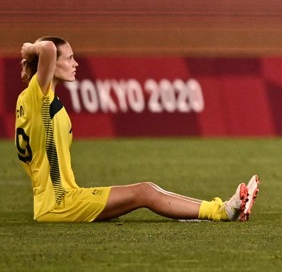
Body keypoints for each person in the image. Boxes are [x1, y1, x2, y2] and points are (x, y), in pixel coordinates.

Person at [16, 36, 258, 223]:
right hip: (60, 203)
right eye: (69, 58)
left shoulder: (28, 101)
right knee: (145, 192)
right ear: (49, 65)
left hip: (57, 200)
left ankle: (217, 210)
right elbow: (47, 47)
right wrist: (29, 49)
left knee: (147, 191)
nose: (75, 63)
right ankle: (223, 211)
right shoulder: (40, 97)